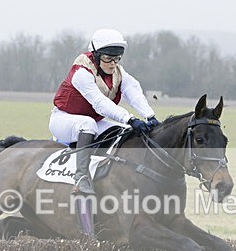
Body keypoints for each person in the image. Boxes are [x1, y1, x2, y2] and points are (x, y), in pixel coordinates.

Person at [50, 29, 160, 195]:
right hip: (63, 119)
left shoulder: (118, 72)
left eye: (117, 59)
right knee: (88, 124)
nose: (113, 64)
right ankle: (81, 178)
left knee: (124, 131)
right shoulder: (81, 72)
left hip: (95, 122)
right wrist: (130, 118)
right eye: (108, 59)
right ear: (95, 55)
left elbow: (133, 91)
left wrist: (149, 116)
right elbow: (100, 104)